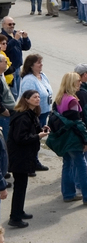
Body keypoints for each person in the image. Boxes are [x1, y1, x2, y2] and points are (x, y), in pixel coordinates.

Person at [51, 72, 87, 205]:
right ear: (72, 83)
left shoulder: (60, 98)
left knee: (67, 164)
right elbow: (78, 122)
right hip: (73, 138)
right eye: (78, 81)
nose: (80, 83)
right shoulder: (72, 100)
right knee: (82, 166)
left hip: (64, 138)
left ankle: (68, 194)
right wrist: (85, 140)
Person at [7, 90, 48, 228]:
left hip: (24, 156)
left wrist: (41, 130)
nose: (37, 99)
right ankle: (15, 217)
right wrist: (38, 136)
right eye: (34, 97)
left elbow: (30, 131)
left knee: (22, 186)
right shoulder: (23, 117)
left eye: (38, 97)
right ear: (26, 99)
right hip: (19, 157)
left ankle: (19, 211)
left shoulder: (31, 114)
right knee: (20, 187)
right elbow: (21, 138)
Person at [18, 54, 52, 170]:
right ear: (31, 65)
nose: (41, 64)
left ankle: (34, 161)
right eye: (38, 62)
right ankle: (30, 164)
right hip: (33, 113)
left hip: (44, 111)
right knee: (32, 139)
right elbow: (26, 97)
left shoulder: (42, 76)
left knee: (37, 139)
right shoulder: (28, 80)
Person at [1, 17, 31, 96]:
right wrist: (15, 39)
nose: (12, 26)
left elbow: (26, 47)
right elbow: (5, 50)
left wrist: (25, 38)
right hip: (9, 69)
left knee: (17, 92)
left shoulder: (15, 34)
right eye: (9, 24)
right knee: (12, 93)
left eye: (13, 24)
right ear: (3, 25)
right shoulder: (2, 37)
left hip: (18, 68)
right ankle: (12, 108)